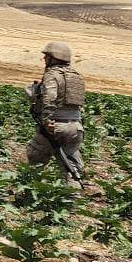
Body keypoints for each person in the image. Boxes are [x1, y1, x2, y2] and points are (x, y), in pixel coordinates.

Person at [26, 41, 85, 181]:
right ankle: (74, 192)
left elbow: (49, 98)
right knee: (71, 167)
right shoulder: (76, 77)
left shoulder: (52, 75)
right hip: (75, 127)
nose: (44, 59)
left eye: (47, 56)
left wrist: (47, 121)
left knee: (36, 159)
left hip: (55, 126)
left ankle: (29, 190)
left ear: (55, 58)